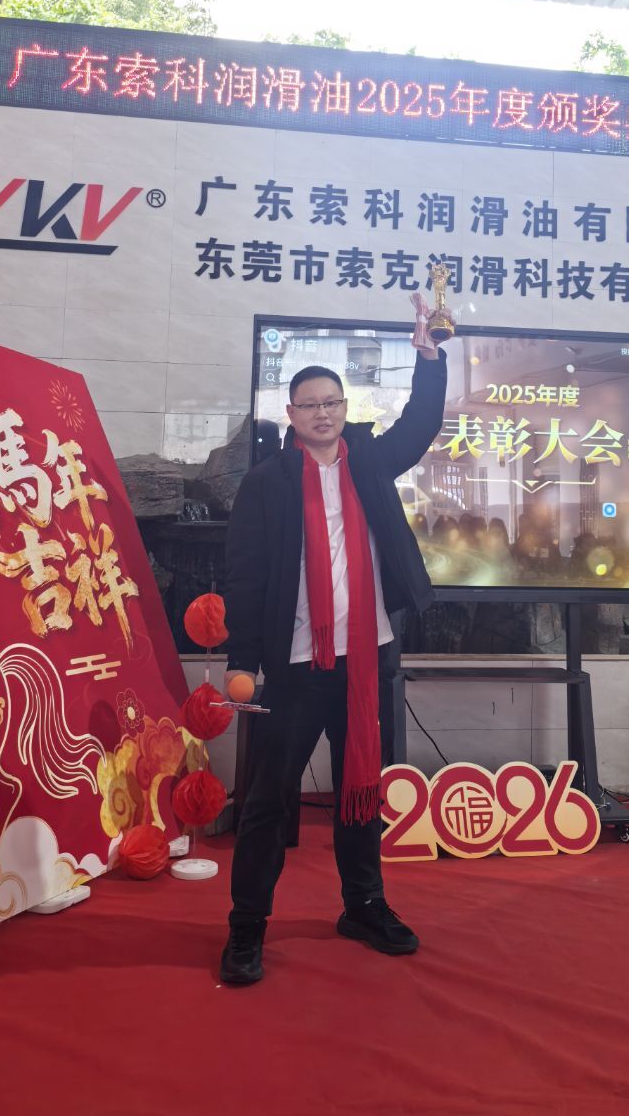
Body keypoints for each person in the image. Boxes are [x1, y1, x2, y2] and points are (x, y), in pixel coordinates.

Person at [219, 340, 448, 986]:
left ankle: (364, 906)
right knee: (267, 801)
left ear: (345, 408)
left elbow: (421, 424)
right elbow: (244, 577)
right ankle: (247, 925)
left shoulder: (369, 461)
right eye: (309, 405)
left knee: (359, 791)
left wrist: (430, 361)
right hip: (294, 668)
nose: (322, 413)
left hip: (365, 663)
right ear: (291, 415)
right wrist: (242, 660)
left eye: (331, 402)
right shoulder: (266, 483)